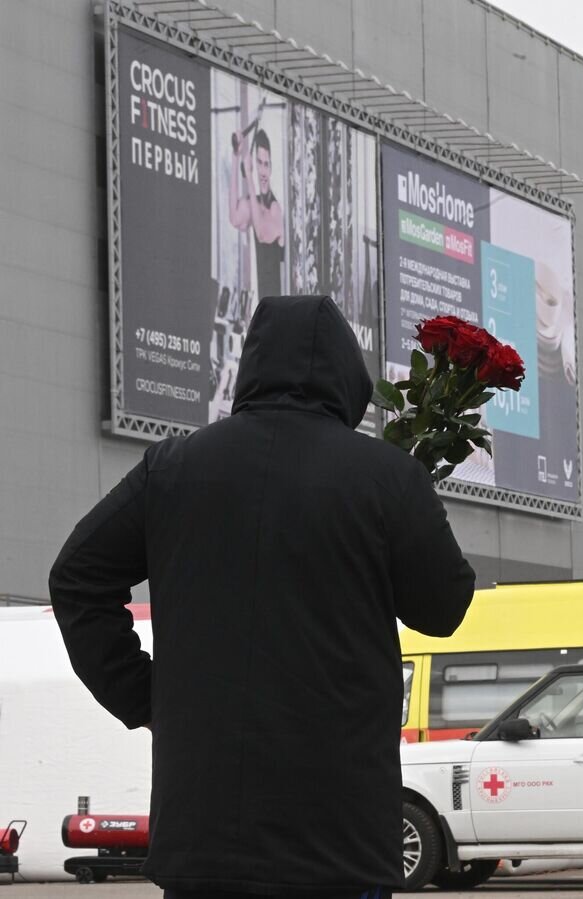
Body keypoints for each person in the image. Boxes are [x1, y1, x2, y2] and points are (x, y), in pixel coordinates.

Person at [49, 296, 475, 897]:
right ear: (349, 377)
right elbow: (443, 610)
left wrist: (144, 698)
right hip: (339, 832)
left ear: (250, 367)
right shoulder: (386, 476)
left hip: (204, 832)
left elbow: (76, 578)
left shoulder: (171, 468)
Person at [230, 127, 284, 300]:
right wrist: (236, 156)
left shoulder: (275, 208)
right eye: (259, 163)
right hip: (262, 308)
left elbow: (262, 233)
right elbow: (234, 218)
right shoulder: (255, 202)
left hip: (279, 310)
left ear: (271, 167)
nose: (262, 171)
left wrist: (249, 177)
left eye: (266, 164)